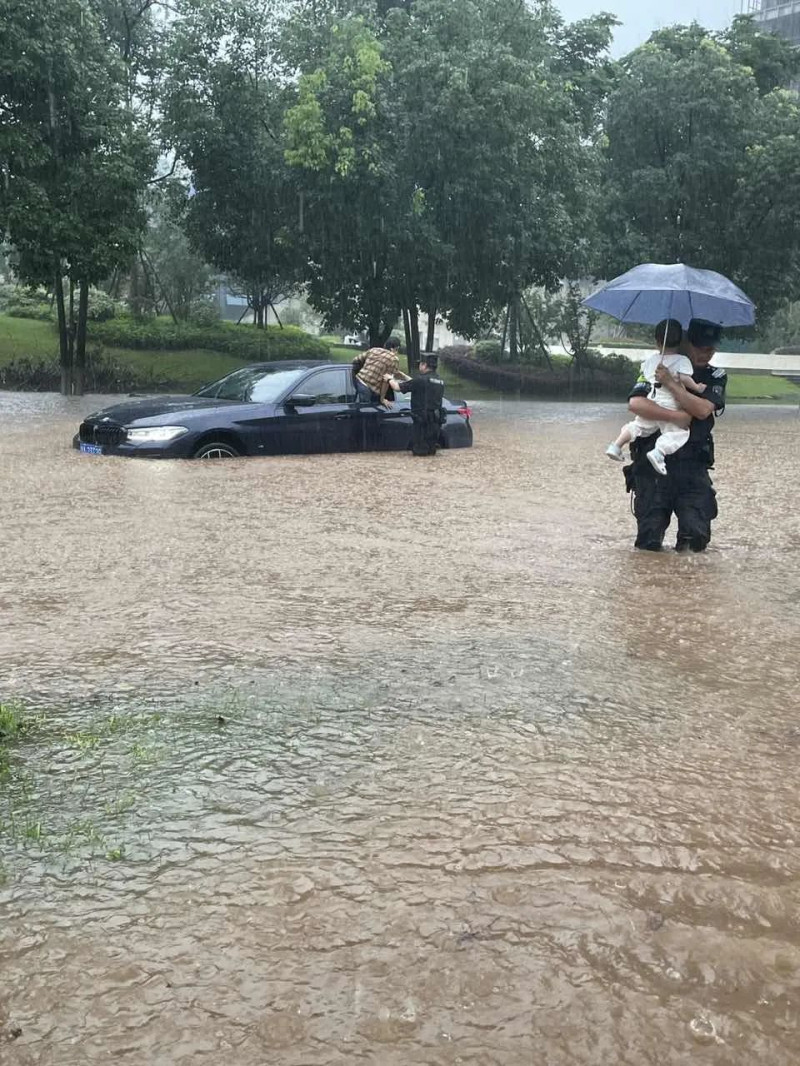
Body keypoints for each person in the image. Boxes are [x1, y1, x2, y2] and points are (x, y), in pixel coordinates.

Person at [623, 318, 727, 553]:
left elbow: (702, 410)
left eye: (711, 348)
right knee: (648, 543)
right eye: (700, 346)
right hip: (652, 467)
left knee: (695, 541)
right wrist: (676, 417)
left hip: (692, 468)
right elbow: (636, 404)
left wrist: (671, 384)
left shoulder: (714, 376)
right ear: (685, 343)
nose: (706, 353)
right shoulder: (654, 367)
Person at [606, 319, 708, 474]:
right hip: (670, 404)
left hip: (652, 400)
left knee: (637, 426)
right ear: (681, 341)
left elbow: (646, 378)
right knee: (678, 433)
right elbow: (686, 379)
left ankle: (616, 445)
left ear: (657, 341)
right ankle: (659, 452)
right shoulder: (682, 361)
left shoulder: (650, 361)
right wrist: (697, 387)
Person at [389, 353, 446, 456]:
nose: (419, 366)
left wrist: (389, 378)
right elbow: (416, 384)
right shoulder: (440, 380)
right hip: (435, 423)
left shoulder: (420, 380)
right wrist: (403, 376)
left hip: (422, 423)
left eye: (420, 364)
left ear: (424, 365)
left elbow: (397, 387)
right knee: (430, 452)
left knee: (420, 453)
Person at [351, 338, 408, 408]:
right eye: (397, 350)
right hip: (368, 389)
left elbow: (355, 360)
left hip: (358, 380)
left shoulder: (374, 350)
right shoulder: (393, 359)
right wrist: (382, 399)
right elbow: (386, 380)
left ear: (385, 345)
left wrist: (365, 369)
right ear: (395, 348)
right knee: (366, 413)